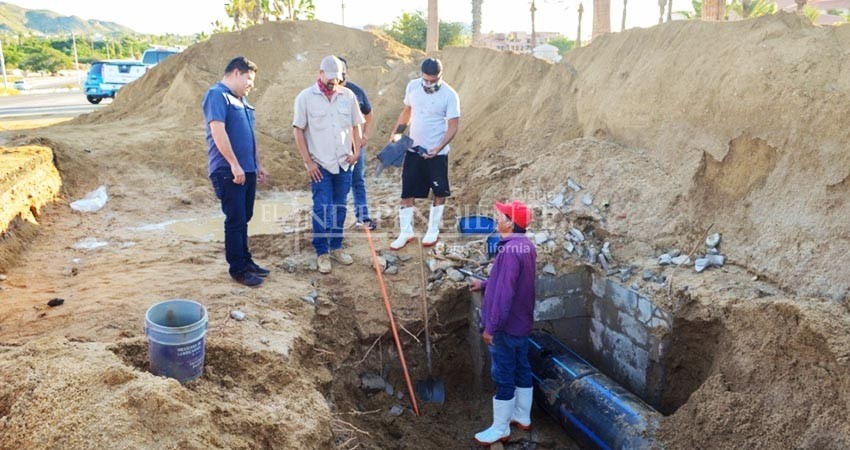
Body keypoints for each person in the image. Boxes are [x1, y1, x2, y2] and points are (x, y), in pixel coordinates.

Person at [469, 201, 537, 445]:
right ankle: (522, 416)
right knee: (522, 368)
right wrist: (485, 284)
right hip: (521, 323)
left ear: (510, 223)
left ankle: (500, 428)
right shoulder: (525, 245)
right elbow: (514, 282)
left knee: (503, 375)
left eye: (500, 216)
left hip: (506, 328)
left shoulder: (509, 252)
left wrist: (492, 327)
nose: (496, 218)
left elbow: (504, 295)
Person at [293, 55, 365, 274]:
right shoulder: (306, 98)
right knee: (321, 208)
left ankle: (336, 246)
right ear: (320, 73)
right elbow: (298, 130)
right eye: (330, 77)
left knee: (339, 207)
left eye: (337, 78)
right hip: (320, 165)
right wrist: (308, 162)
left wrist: (356, 151)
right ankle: (322, 251)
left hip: (344, 163)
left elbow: (356, 125)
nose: (333, 82)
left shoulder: (348, 96)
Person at [202, 56, 269, 287]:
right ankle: (238, 269)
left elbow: (249, 136)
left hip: (246, 169)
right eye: (249, 79)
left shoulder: (241, 100)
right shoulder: (217, 95)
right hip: (228, 170)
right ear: (237, 73)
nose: (251, 85)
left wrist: (257, 164)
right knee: (235, 219)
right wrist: (233, 163)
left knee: (244, 217)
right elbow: (218, 131)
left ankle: (246, 261)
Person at [389, 57, 460, 250]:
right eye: (426, 80)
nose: (429, 84)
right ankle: (406, 231)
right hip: (414, 149)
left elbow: (453, 126)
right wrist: (397, 132)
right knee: (407, 190)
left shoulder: (449, 95)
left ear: (440, 76)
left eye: (433, 80)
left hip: (437, 152)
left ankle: (433, 229)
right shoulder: (412, 87)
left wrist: (439, 147)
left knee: (439, 191)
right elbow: (407, 112)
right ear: (421, 75)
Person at [337, 56, 376, 230]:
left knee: (357, 181)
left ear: (347, 71)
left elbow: (368, 113)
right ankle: (335, 221)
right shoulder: (324, 93)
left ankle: (363, 217)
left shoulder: (356, 92)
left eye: (342, 70)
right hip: (335, 146)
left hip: (355, 145)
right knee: (338, 183)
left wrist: (365, 134)